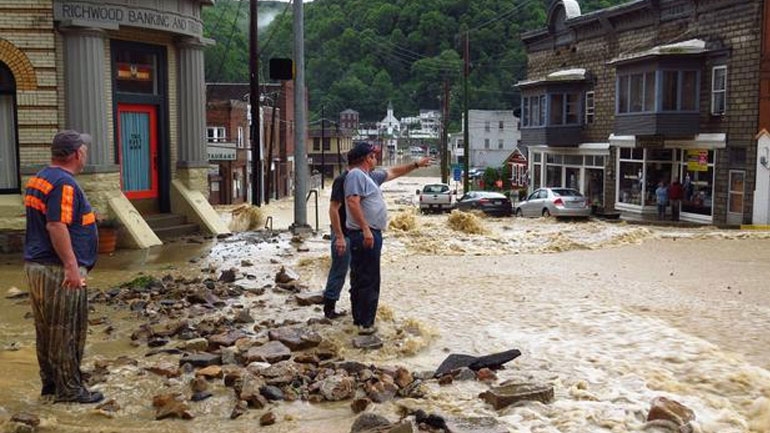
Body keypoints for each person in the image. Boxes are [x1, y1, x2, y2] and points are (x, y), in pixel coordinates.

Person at [23, 130, 104, 404]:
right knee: (66, 329)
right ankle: (69, 390)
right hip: (59, 270)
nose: (86, 154)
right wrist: (71, 266)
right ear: (76, 154)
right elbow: (56, 225)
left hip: (37, 267)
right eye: (85, 150)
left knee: (46, 330)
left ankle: (51, 385)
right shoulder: (64, 184)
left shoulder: (41, 178)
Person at [344, 143, 430, 335]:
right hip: (365, 234)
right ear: (367, 158)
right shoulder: (356, 175)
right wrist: (366, 229)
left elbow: (393, 172)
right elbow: (352, 202)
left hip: (369, 233)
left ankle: (360, 321)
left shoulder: (370, 177)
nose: (376, 158)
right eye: (374, 155)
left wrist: (416, 164)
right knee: (369, 279)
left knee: (363, 277)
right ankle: (365, 325)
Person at [322, 166, 350, 319]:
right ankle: (329, 307)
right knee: (339, 269)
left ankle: (354, 307)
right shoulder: (342, 180)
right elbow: (333, 209)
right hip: (343, 233)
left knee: (356, 272)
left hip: (353, 232)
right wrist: (339, 236)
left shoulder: (359, 178)